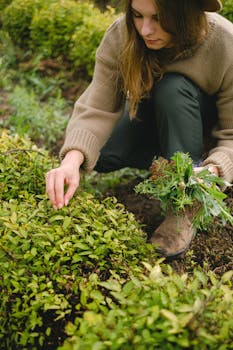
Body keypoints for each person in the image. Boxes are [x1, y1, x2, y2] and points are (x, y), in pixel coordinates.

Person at [46, 0, 233, 259]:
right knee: (102, 152)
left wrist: (213, 170)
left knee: (173, 88)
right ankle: (166, 167)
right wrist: (71, 160)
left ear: (184, 14)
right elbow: (97, 106)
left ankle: (186, 201)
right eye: (137, 15)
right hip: (158, 122)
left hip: (201, 135)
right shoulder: (122, 35)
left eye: (158, 18)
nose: (145, 30)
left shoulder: (225, 42)